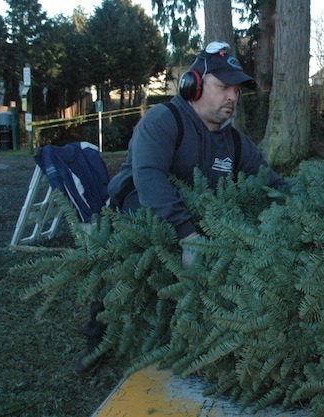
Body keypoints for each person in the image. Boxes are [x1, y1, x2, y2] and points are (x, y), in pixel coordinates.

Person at [74, 41, 290, 376]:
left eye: (236, 90)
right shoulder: (163, 120)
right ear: (194, 85)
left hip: (198, 217)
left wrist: (302, 201)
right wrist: (187, 236)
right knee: (122, 253)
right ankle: (97, 342)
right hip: (138, 211)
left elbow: (271, 182)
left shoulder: (235, 142)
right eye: (223, 87)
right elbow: (149, 178)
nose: (231, 97)